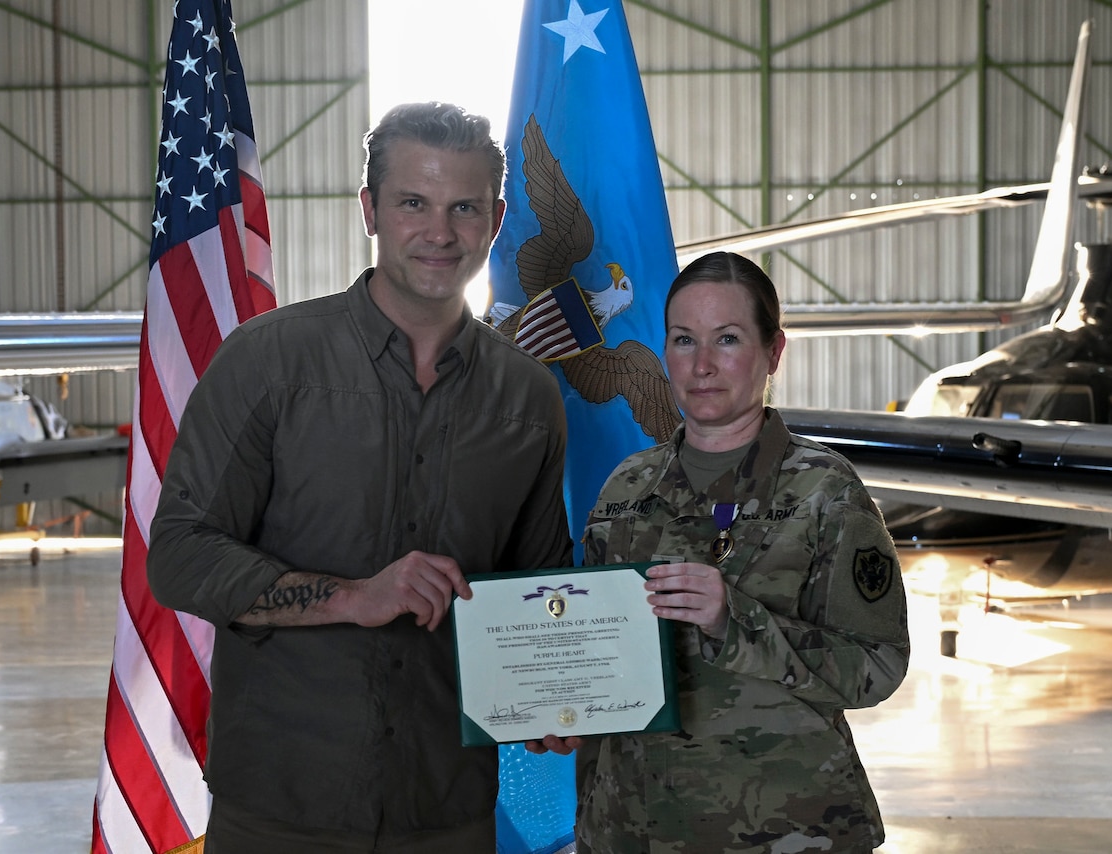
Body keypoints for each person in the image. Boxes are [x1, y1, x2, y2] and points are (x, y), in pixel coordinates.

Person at [147, 101, 574, 853]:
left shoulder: (528, 398)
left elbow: (537, 589)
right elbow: (180, 556)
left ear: (497, 219)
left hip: (447, 808)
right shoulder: (268, 364)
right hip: (283, 805)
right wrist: (353, 597)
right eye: (413, 202)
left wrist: (551, 694)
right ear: (370, 209)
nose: (439, 233)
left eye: (464, 208)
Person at [530, 251, 910, 853]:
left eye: (727, 339)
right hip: (631, 828)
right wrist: (563, 710)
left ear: (773, 352)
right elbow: (600, 652)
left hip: (787, 830)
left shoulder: (825, 491)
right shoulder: (627, 487)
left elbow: (878, 667)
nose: (702, 365)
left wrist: (735, 620)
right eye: (684, 340)